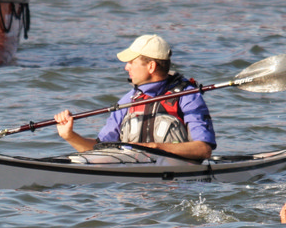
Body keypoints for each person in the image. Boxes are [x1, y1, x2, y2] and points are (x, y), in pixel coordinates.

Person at [54, 34, 216, 161]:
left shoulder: (187, 96)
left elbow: (203, 150)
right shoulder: (128, 100)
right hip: (133, 189)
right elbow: (99, 150)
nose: (126, 67)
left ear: (151, 66)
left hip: (175, 184)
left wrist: (152, 147)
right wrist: (70, 136)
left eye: (132, 62)